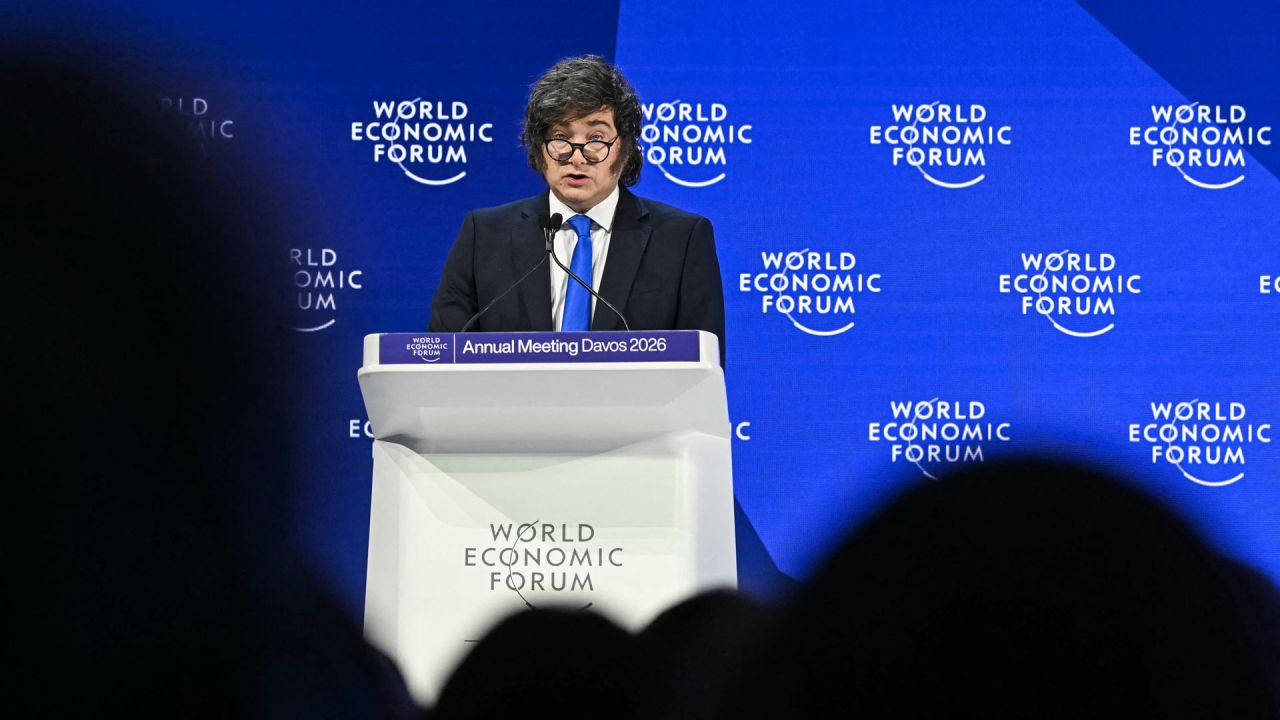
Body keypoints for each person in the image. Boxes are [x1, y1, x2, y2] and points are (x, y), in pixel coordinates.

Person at [428, 55, 726, 364]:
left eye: (596, 138)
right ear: (540, 148)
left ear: (624, 149)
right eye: (561, 138)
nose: (577, 157)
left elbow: (702, 370)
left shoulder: (681, 240)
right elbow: (442, 360)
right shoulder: (484, 236)